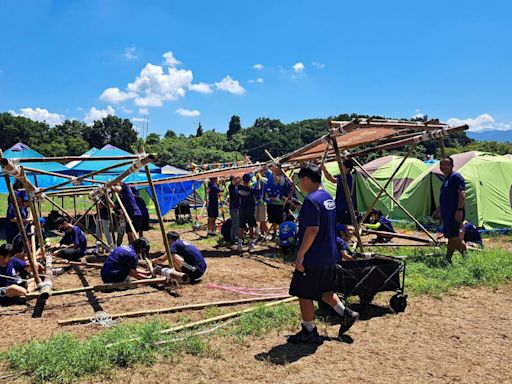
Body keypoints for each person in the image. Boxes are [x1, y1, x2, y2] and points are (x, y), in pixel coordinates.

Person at [288, 164, 359, 344]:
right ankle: (346, 313)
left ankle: (309, 330)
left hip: (314, 255)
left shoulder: (311, 200)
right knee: (323, 289)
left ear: (305, 179)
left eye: (299, 181)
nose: (299, 185)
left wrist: (300, 255)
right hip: (329, 253)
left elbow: (312, 229)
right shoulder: (328, 197)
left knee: (303, 292)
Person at [434, 157, 466, 262]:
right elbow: (445, 197)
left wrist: (459, 210)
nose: (443, 167)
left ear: (452, 166)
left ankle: (465, 257)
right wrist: (439, 210)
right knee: (451, 237)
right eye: (441, 165)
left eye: (446, 164)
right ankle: (448, 259)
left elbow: (461, 194)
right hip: (447, 213)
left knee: (454, 237)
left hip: (454, 213)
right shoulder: (446, 179)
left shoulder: (456, 177)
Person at [321, 160, 354, 225]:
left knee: (340, 223)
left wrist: (324, 170)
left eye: (343, 166)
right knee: (342, 224)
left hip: (342, 205)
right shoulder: (347, 176)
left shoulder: (345, 178)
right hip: (342, 204)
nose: (341, 168)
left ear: (348, 169)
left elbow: (331, 179)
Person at [237, 173, 257, 251]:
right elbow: (257, 190)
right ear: (249, 180)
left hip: (242, 209)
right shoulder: (251, 190)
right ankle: (251, 243)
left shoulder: (239, 188)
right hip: (250, 209)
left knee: (241, 226)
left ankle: (239, 244)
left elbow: (237, 183)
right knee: (251, 226)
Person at [266, 166, 285, 238]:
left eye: (277, 169)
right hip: (270, 201)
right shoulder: (271, 174)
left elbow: (278, 182)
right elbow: (265, 169)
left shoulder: (282, 177)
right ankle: (274, 232)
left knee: (279, 219)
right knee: (272, 218)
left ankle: (281, 232)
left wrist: (274, 172)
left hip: (278, 201)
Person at [254, 170, 269, 238]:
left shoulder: (264, 180)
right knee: (258, 219)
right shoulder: (255, 182)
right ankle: (261, 233)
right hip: (258, 202)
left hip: (262, 202)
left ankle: (265, 233)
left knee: (262, 219)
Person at [228, 176, 240, 243]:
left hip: (236, 206)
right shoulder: (231, 186)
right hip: (233, 207)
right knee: (235, 222)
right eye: (234, 179)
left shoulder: (236, 187)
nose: (236, 180)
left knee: (237, 222)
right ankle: (233, 238)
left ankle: (235, 236)